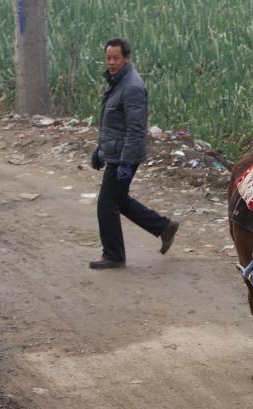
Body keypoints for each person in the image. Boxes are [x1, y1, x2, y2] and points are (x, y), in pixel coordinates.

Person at [89, 38, 178, 269]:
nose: (111, 62)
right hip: (117, 153)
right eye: (108, 58)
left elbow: (135, 129)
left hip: (124, 157)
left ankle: (114, 255)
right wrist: (100, 152)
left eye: (115, 58)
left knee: (106, 204)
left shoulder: (132, 86)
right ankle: (163, 227)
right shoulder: (117, 82)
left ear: (126, 58)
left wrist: (126, 163)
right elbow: (113, 125)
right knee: (118, 200)